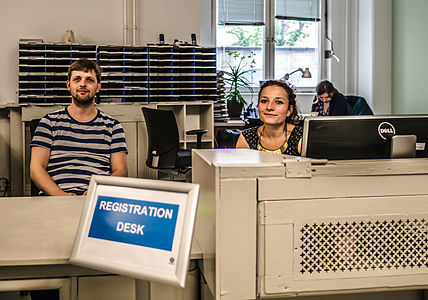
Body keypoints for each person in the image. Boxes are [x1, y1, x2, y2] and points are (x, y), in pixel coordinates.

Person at [30, 59, 128, 196]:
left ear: (98, 87)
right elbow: (36, 168)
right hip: (55, 199)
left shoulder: (113, 126)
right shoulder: (49, 122)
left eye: (89, 80)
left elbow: (121, 171)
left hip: (96, 198)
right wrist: (61, 196)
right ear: (68, 85)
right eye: (77, 79)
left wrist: (96, 192)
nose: (83, 84)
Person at [235, 80, 303, 155]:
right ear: (258, 106)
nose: (269, 107)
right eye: (264, 101)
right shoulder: (246, 137)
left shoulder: (301, 137)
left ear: (289, 110)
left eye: (278, 102)